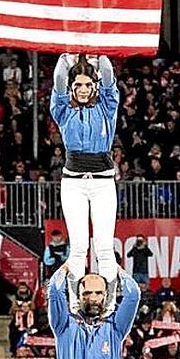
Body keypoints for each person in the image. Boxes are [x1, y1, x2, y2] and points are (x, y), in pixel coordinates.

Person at [49, 53, 121, 307]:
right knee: (79, 247)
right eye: (77, 85)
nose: (82, 89)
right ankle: (75, 302)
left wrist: (98, 54)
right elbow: (58, 78)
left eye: (87, 84)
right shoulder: (63, 110)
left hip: (103, 183)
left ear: (95, 86)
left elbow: (110, 76)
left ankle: (110, 303)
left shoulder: (107, 106)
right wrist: (66, 59)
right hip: (73, 183)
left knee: (103, 248)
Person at [48, 263, 139, 359]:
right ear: (78, 296)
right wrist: (65, 268)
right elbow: (55, 290)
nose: (93, 298)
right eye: (87, 293)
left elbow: (133, 295)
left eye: (98, 293)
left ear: (106, 295)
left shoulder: (115, 327)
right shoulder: (64, 325)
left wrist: (119, 272)